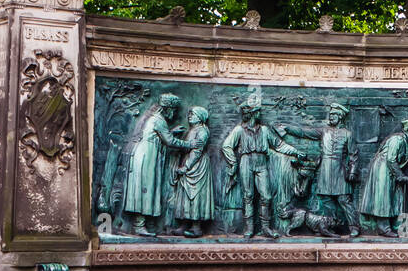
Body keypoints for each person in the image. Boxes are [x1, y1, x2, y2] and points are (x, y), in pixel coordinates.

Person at [276, 102, 361, 237]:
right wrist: (288, 128)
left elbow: (353, 154)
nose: (331, 116)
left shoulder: (347, 134)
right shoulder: (324, 131)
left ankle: (354, 227)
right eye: (331, 114)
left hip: (339, 170)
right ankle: (329, 226)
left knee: (344, 200)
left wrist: (352, 171)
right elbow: (305, 132)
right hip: (325, 170)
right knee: (326, 200)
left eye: (334, 114)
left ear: (340, 116)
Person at [221, 102, 301, 239]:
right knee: (248, 196)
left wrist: (296, 152)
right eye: (257, 112)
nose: (259, 114)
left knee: (266, 196)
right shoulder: (239, 130)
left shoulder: (264, 130)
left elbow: (279, 145)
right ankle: (249, 228)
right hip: (246, 162)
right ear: (251, 114)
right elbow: (226, 146)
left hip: (261, 163)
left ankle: (265, 227)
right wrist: (233, 162)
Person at [123, 93, 185, 236]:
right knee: (145, 187)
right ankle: (139, 225)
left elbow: (162, 136)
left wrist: (171, 132)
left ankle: (146, 223)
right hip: (147, 156)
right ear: (167, 109)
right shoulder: (159, 120)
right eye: (174, 110)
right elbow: (169, 141)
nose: (175, 113)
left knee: (147, 187)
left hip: (147, 155)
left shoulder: (156, 120)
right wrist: (190, 144)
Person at [359, 116, 408, 236]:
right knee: (383, 197)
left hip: (391, 169)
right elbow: (391, 159)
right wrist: (400, 175)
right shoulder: (397, 140)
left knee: (395, 197)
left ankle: (397, 225)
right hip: (383, 169)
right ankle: (383, 228)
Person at [173, 106, 213, 237]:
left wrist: (186, 167)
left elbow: (197, 151)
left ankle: (196, 227)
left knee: (196, 194)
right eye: (189, 113)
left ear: (200, 117)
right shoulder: (191, 130)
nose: (189, 116)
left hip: (197, 166)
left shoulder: (203, 131)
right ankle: (184, 223)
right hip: (188, 162)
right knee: (185, 194)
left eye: (193, 114)